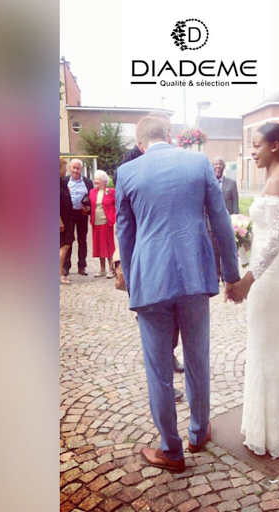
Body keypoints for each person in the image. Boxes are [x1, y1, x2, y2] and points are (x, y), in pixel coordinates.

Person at [116, 116, 240, 472]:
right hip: (194, 277)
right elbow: (221, 220)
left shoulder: (127, 173)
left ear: (140, 144)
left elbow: (125, 234)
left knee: (158, 369)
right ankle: (198, 433)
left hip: (151, 283)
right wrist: (231, 274)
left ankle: (171, 450)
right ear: (169, 137)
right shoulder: (198, 162)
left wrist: (134, 285)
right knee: (197, 359)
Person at [227, 122, 279, 459]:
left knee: (266, 349)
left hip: (272, 277)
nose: (252, 151)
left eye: (256, 145)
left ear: (274, 146)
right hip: (269, 273)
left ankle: (271, 432)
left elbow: (273, 243)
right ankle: (270, 424)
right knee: (265, 347)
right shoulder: (275, 179)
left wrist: (247, 280)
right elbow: (268, 234)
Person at [115, 110, 186, 402]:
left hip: (168, 255)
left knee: (173, 319)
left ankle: (170, 358)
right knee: (155, 325)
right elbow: (125, 224)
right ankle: (163, 382)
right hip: (146, 259)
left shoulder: (171, 160)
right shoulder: (130, 165)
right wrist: (130, 275)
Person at [209, 157, 239, 283]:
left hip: (227, 223)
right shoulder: (209, 183)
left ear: (224, 167)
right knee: (214, 250)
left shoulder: (231, 183)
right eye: (215, 164)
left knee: (226, 250)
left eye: (220, 164)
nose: (217, 166)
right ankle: (216, 275)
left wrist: (236, 221)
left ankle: (226, 275)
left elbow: (235, 204)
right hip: (211, 224)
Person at [63, 159, 94, 277]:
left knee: (82, 240)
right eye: (73, 168)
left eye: (78, 168)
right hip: (69, 214)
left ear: (81, 169)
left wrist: (89, 208)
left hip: (82, 214)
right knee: (68, 240)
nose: (75, 170)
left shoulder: (88, 182)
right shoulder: (64, 181)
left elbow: (92, 198)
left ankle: (82, 266)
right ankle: (66, 266)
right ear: (70, 168)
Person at [89, 170, 116, 278]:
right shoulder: (92, 192)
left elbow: (118, 204)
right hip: (95, 222)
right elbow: (91, 205)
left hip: (106, 222)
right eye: (95, 179)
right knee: (99, 246)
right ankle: (102, 269)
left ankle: (112, 269)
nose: (95, 181)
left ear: (104, 181)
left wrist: (114, 216)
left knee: (108, 246)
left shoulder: (111, 191)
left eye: (98, 179)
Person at [60, 158, 74, 285]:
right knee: (64, 245)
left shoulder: (62, 182)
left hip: (67, 218)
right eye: (64, 167)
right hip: (62, 220)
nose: (66, 170)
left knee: (65, 245)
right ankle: (59, 274)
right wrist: (59, 221)